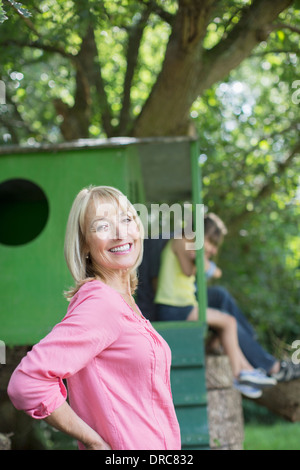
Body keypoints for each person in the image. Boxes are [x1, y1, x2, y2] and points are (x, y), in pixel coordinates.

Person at [7, 186, 181, 451]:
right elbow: (27, 382)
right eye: (102, 226)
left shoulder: (123, 301)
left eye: (126, 220)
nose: (120, 233)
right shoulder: (102, 303)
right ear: (85, 245)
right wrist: (93, 440)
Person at [153, 233, 276, 399]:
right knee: (228, 322)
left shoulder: (190, 247)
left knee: (226, 321)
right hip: (174, 308)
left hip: (183, 305)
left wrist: (201, 259)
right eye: (210, 242)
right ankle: (239, 375)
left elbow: (214, 272)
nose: (211, 249)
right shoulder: (181, 242)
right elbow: (189, 271)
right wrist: (200, 259)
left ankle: (247, 371)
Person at [203, 212, 300, 383]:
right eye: (210, 242)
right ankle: (272, 367)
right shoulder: (187, 247)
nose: (213, 250)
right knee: (222, 302)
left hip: (193, 300)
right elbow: (215, 271)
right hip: (184, 305)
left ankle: (249, 340)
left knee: (220, 295)